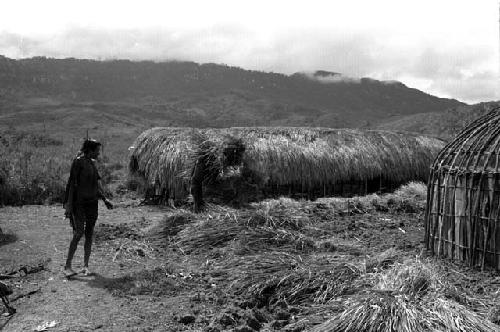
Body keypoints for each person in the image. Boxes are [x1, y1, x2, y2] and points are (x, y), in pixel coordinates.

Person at [63, 139, 113, 277]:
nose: (98, 154)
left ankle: (85, 266)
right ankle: (67, 266)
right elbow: (72, 184)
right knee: (78, 233)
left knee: (89, 234)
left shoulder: (92, 163)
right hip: (79, 203)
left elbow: (96, 185)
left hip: (92, 203)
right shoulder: (78, 162)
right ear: (89, 150)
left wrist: (104, 199)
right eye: (96, 151)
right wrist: (68, 204)